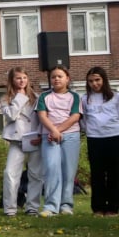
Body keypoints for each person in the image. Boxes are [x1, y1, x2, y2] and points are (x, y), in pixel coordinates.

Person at [36, 66, 82, 216]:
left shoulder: (75, 97)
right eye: (53, 77)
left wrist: (58, 131)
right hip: (49, 137)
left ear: (67, 79)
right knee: (51, 169)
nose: (56, 79)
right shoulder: (44, 97)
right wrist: (53, 131)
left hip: (70, 136)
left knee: (68, 171)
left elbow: (75, 116)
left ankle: (66, 205)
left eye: (60, 76)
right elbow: (42, 116)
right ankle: (50, 206)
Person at [0, 67, 44, 216]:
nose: (22, 81)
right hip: (16, 140)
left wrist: (40, 135)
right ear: (12, 80)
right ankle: (10, 208)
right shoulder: (5, 99)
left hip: (34, 139)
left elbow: (41, 119)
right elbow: (11, 116)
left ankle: (32, 207)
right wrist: (19, 97)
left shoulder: (37, 97)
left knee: (35, 174)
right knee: (10, 173)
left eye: (24, 77)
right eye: (18, 78)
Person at [81, 66, 119, 216]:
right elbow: (82, 119)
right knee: (97, 173)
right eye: (91, 81)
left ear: (104, 80)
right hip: (94, 139)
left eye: (97, 80)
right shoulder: (85, 99)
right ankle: (98, 207)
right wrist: (89, 130)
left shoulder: (115, 96)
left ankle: (113, 207)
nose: (94, 84)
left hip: (114, 137)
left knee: (114, 173)